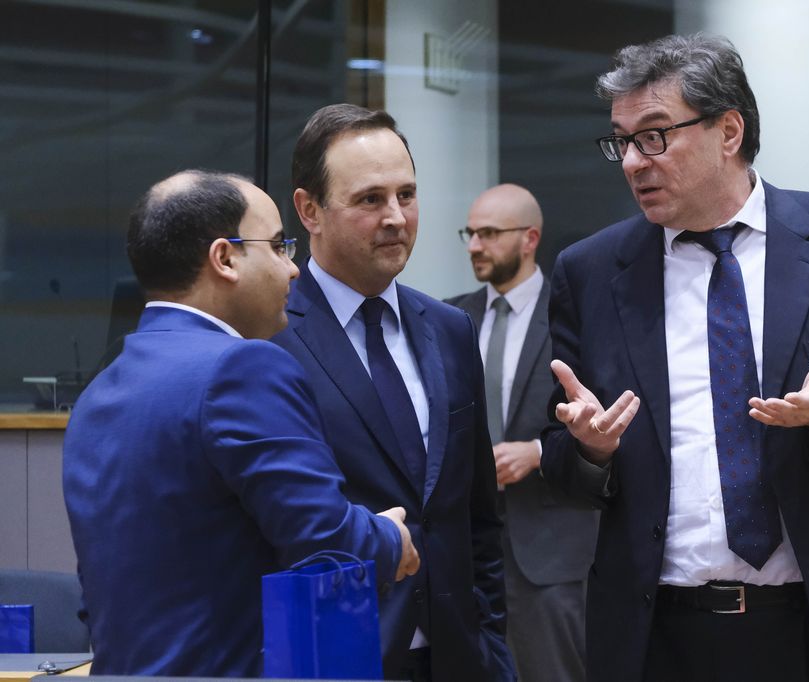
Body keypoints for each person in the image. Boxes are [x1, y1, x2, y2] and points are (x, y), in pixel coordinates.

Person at [539, 34, 809, 682]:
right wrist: (590, 452)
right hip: (658, 636)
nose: (632, 162)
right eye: (620, 141)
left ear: (729, 131)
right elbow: (562, 461)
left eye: (653, 136)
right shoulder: (590, 272)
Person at [63, 170, 419, 677]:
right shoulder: (242, 367)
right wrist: (387, 538)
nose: (292, 270)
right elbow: (323, 538)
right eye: (277, 246)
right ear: (224, 259)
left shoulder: (99, 391)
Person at [273, 104, 514, 682]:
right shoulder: (270, 337)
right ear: (309, 210)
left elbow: (477, 516)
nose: (396, 217)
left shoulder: (450, 329)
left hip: (459, 658)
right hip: (337, 656)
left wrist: (493, 649)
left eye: (406, 195)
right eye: (369, 199)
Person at [447, 184, 598, 682]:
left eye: (489, 234)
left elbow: (606, 420)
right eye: (471, 233)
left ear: (530, 238)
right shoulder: (449, 319)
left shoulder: (576, 316)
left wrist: (536, 451)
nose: (474, 245)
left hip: (551, 549)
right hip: (466, 551)